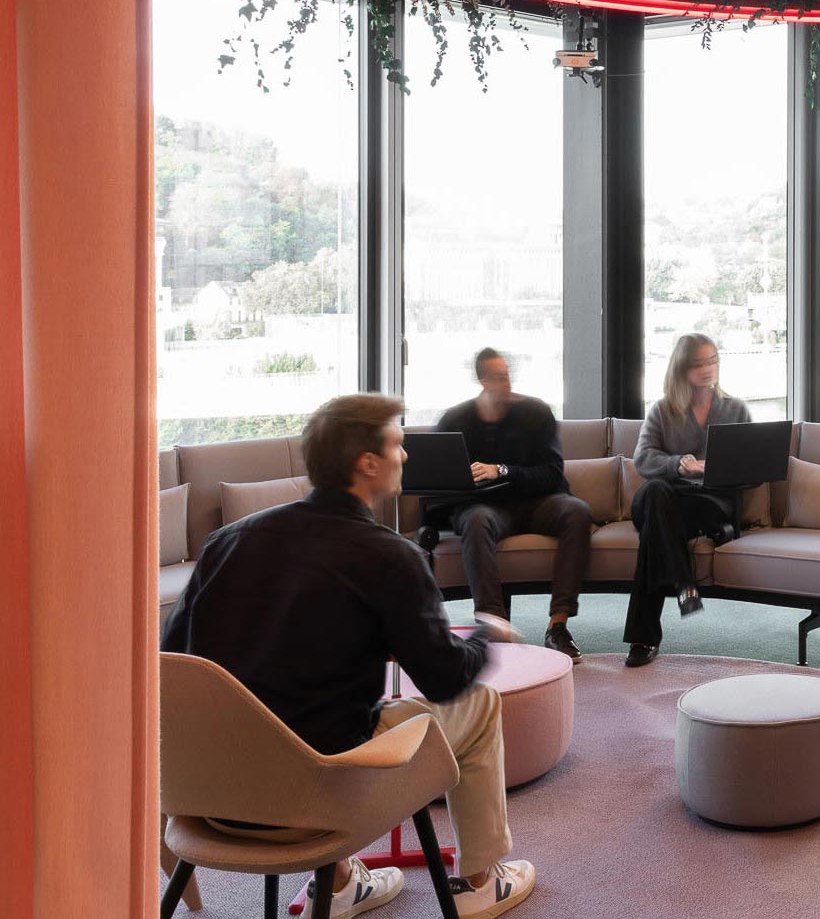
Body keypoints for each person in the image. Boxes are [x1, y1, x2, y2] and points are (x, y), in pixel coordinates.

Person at [161, 393, 537, 918]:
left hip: (207, 793)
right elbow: (445, 680)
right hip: (316, 800)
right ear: (367, 463)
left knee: (297, 715)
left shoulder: (227, 541)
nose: (405, 457)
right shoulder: (389, 555)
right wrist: (483, 635)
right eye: (398, 446)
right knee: (480, 704)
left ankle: (339, 882)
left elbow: (172, 659)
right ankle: (480, 880)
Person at [430, 348, 592, 664]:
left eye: (507, 375)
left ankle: (558, 626)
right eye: (499, 376)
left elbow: (552, 473)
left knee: (578, 511)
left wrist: (501, 470)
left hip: (538, 501)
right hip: (486, 508)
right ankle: (493, 627)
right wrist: (470, 479)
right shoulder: (455, 420)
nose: (506, 382)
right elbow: (440, 481)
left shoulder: (536, 412)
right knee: (474, 520)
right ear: (482, 379)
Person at [622, 333, 751, 668]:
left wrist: (716, 469)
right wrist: (678, 463)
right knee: (654, 492)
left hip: (706, 505)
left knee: (655, 530)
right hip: (665, 498)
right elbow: (643, 459)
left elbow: (754, 467)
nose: (708, 369)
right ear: (681, 368)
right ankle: (683, 584)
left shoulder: (735, 409)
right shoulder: (663, 410)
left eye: (713, 361)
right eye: (698, 363)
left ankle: (645, 635)